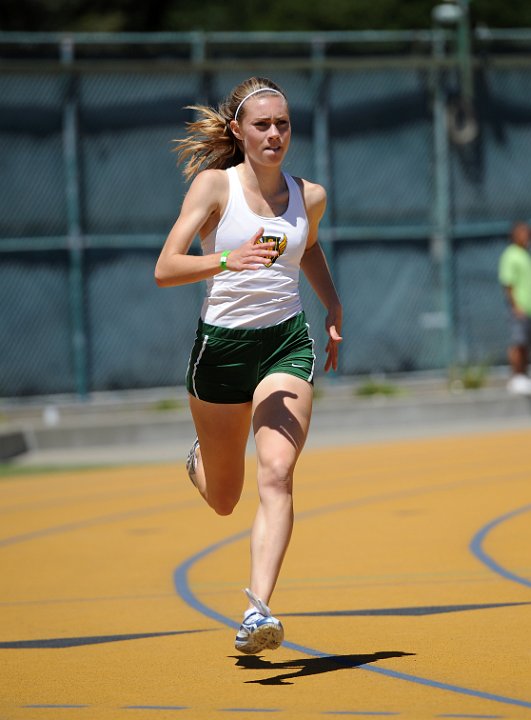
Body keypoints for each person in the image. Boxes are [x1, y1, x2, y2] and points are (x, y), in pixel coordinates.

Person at [155, 77, 342, 654]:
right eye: (262, 124)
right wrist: (227, 261)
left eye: (282, 124)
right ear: (238, 131)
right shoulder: (216, 186)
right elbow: (166, 267)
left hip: (286, 343)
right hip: (221, 351)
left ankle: (258, 611)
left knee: (278, 473)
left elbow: (306, 245)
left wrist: (333, 306)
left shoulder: (308, 194)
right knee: (224, 499)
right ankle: (201, 460)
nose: (274, 134)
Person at [498, 221, 531, 395]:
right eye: (523, 232)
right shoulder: (511, 255)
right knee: (518, 342)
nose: (527, 235)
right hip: (519, 310)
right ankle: (516, 377)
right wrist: (516, 306)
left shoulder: (525, 254)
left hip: (528, 309)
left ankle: (523, 376)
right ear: (514, 235)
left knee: (525, 344)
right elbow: (508, 283)